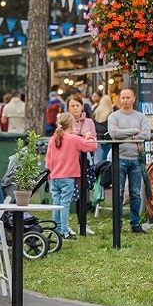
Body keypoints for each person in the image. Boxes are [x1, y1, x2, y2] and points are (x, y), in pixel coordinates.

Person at [46, 112, 97, 240]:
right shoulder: (74, 139)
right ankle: (65, 230)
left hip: (54, 176)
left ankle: (56, 229)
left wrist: (49, 173)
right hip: (68, 177)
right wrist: (89, 137)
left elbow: (48, 158)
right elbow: (92, 146)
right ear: (71, 124)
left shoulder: (53, 139)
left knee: (56, 203)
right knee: (65, 204)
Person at [107, 88, 151, 234]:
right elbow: (113, 134)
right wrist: (134, 131)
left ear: (134, 99)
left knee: (135, 192)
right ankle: (117, 223)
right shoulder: (114, 116)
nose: (125, 100)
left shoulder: (141, 117)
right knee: (118, 193)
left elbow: (146, 134)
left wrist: (123, 133)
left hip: (136, 160)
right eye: (123, 97)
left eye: (128, 97)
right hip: (119, 158)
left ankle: (135, 223)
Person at [66, 94, 97, 235]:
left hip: (86, 161)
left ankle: (82, 223)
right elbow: (66, 138)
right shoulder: (65, 121)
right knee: (68, 193)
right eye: (72, 106)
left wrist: (81, 137)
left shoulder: (89, 121)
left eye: (77, 105)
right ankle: (64, 225)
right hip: (70, 161)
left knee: (84, 192)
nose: (75, 108)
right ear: (68, 108)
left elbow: (93, 139)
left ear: (82, 106)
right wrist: (82, 137)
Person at [93, 95, 114, 161]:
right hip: (107, 138)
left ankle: (97, 168)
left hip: (98, 136)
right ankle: (103, 168)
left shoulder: (96, 111)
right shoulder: (111, 113)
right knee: (106, 155)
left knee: (98, 155)